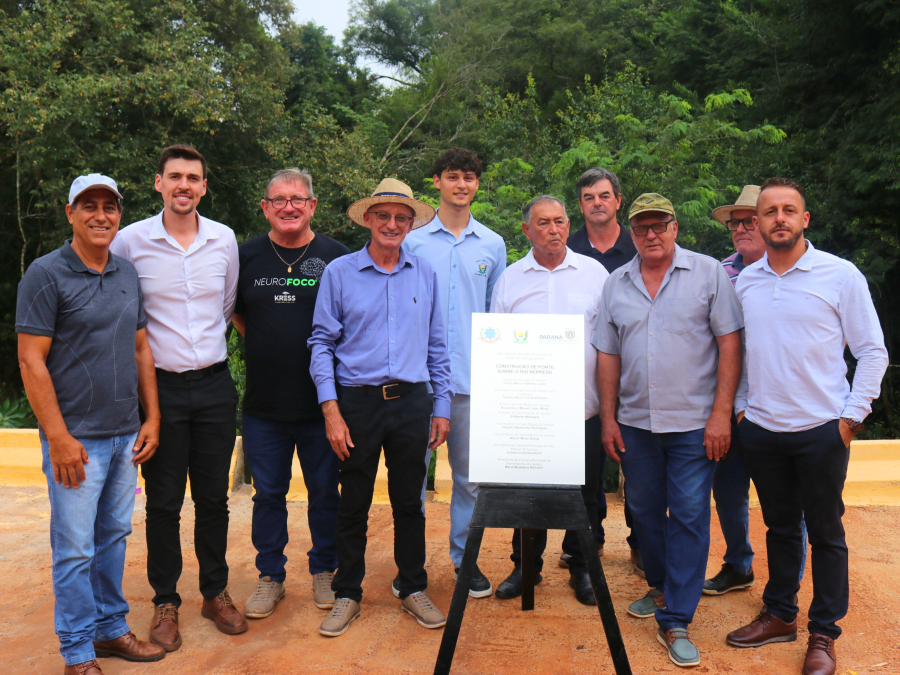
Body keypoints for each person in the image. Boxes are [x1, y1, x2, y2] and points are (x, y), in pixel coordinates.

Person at [726, 178, 888, 675]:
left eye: (788, 210)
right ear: (757, 221)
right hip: (763, 430)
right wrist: (741, 409)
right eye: (769, 211)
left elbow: (872, 352)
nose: (778, 218)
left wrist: (850, 419)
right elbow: (743, 356)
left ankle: (824, 633)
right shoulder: (747, 281)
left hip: (822, 429)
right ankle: (780, 614)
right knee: (778, 527)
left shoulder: (839, 276)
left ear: (804, 219)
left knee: (826, 532)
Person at [17, 174, 165, 674]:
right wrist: (58, 437)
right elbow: (30, 361)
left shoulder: (126, 272)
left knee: (114, 536)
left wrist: (153, 417)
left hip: (126, 435)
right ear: (70, 213)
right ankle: (77, 651)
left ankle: (110, 628)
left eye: (109, 206)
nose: (100, 215)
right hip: (76, 442)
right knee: (75, 550)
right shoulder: (46, 273)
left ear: (119, 214)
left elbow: (142, 348)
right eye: (89, 206)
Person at [595, 193, 743, 667]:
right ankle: (660, 587)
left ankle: (677, 616)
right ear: (631, 233)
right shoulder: (616, 283)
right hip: (636, 423)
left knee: (690, 514)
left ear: (675, 227)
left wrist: (722, 413)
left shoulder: (707, 273)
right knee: (641, 510)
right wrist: (608, 417)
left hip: (694, 424)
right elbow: (608, 354)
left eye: (660, 225)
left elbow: (730, 343)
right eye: (642, 228)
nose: (651, 234)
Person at [110, 145, 245, 649]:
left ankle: (215, 593)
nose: (184, 185)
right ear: (159, 184)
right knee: (164, 503)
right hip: (159, 389)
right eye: (175, 177)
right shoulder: (130, 241)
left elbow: (227, 304)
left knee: (213, 499)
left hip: (213, 385)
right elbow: (123, 313)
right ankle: (166, 602)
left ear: (204, 187)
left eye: (193, 177)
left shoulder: (223, 239)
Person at [309, 178, 452, 637]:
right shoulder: (341, 272)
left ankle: (411, 586)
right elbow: (321, 344)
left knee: (410, 501)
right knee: (353, 501)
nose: (392, 224)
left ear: (411, 224)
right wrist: (331, 410)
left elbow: (437, 344)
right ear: (368, 219)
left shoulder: (424, 272)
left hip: (412, 402)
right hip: (358, 404)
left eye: (401, 217)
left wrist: (442, 405)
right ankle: (347, 592)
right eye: (383, 216)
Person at [232, 169, 350, 618]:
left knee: (325, 492)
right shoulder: (246, 257)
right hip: (265, 406)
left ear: (312, 206)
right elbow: (239, 316)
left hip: (323, 406)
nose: (288, 207)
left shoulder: (336, 258)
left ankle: (324, 569)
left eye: (298, 199)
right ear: (265, 207)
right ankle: (270, 577)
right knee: (268, 495)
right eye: (279, 200)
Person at [491, 195, 610, 606]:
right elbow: (498, 349)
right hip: (530, 413)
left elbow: (609, 343)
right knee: (529, 491)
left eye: (560, 221)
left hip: (583, 408)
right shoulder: (509, 280)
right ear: (527, 230)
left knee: (586, 493)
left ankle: (582, 566)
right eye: (543, 223)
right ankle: (526, 566)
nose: (554, 229)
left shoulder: (594, 274)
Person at [403, 148, 506, 598]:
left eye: (468, 177)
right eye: (452, 177)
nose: (460, 185)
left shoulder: (493, 244)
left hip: (471, 380)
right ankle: (411, 571)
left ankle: (466, 561)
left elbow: (495, 313)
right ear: (436, 182)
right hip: (415, 379)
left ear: (477, 185)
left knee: (469, 478)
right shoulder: (412, 240)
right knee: (411, 478)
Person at [565, 167, 642, 575]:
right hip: (581, 372)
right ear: (580, 205)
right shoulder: (567, 247)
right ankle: (586, 541)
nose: (597, 202)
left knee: (637, 460)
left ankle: (640, 541)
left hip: (637, 367)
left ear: (617, 201)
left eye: (604, 195)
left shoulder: (639, 246)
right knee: (585, 464)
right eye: (589, 197)